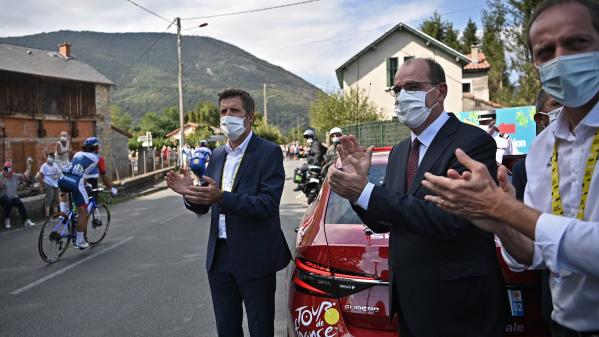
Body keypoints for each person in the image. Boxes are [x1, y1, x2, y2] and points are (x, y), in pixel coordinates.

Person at [421, 1, 599, 335]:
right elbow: (533, 254)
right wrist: (501, 224)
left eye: (576, 43)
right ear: (536, 65)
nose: (561, 58)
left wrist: (505, 208)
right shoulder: (542, 150)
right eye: (546, 51)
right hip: (562, 326)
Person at [327, 58, 507, 337]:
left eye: (412, 87)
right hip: (411, 305)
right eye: (397, 90)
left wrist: (366, 192)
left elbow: (450, 221)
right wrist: (358, 191)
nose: (402, 96)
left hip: (461, 306)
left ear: (441, 92)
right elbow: (386, 221)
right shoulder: (401, 152)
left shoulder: (471, 143)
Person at [165, 88, 291, 337]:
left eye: (234, 110)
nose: (227, 116)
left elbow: (267, 204)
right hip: (220, 257)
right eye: (223, 111)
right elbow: (206, 203)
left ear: (249, 117)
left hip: (255, 257)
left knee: (260, 328)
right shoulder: (217, 154)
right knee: (227, 328)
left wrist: (223, 197)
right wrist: (190, 193)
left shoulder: (268, 152)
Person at [58, 137, 116, 249]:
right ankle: (79, 241)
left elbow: (77, 169)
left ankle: (64, 214)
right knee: (83, 212)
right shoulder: (99, 158)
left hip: (63, 179)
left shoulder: (77, 154)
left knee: (72, 206)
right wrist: (112, 189)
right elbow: (104, 177)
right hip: (75, 183)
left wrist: (86, 183)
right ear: (97, 148)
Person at [0, 160, 36, 229]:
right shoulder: (1, 175)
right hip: (2, 197)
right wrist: (4, 177)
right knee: (8, 202)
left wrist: (29, 165)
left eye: (8, 168)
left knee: (19, 203)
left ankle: (26, 220)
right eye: (6, 168)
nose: (7, 169)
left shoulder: (15, 175)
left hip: (13, 196)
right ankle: (7, 219)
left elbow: (25, 176)